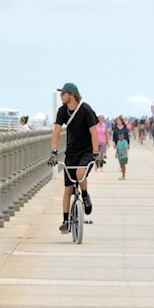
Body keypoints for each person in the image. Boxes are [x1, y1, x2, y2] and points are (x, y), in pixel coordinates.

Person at [47, 82, 101, 234]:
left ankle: (84, 195)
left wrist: (96, 154)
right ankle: (65, 220)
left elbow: (94, 133)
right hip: (71, 152)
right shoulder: (62, 111)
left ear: (71, 95)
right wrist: (54, 151)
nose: (61, 96)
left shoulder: (86, 110)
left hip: (86, 151)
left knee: (80, 173)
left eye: (63, 93)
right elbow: (56, 132)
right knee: (68, 188)